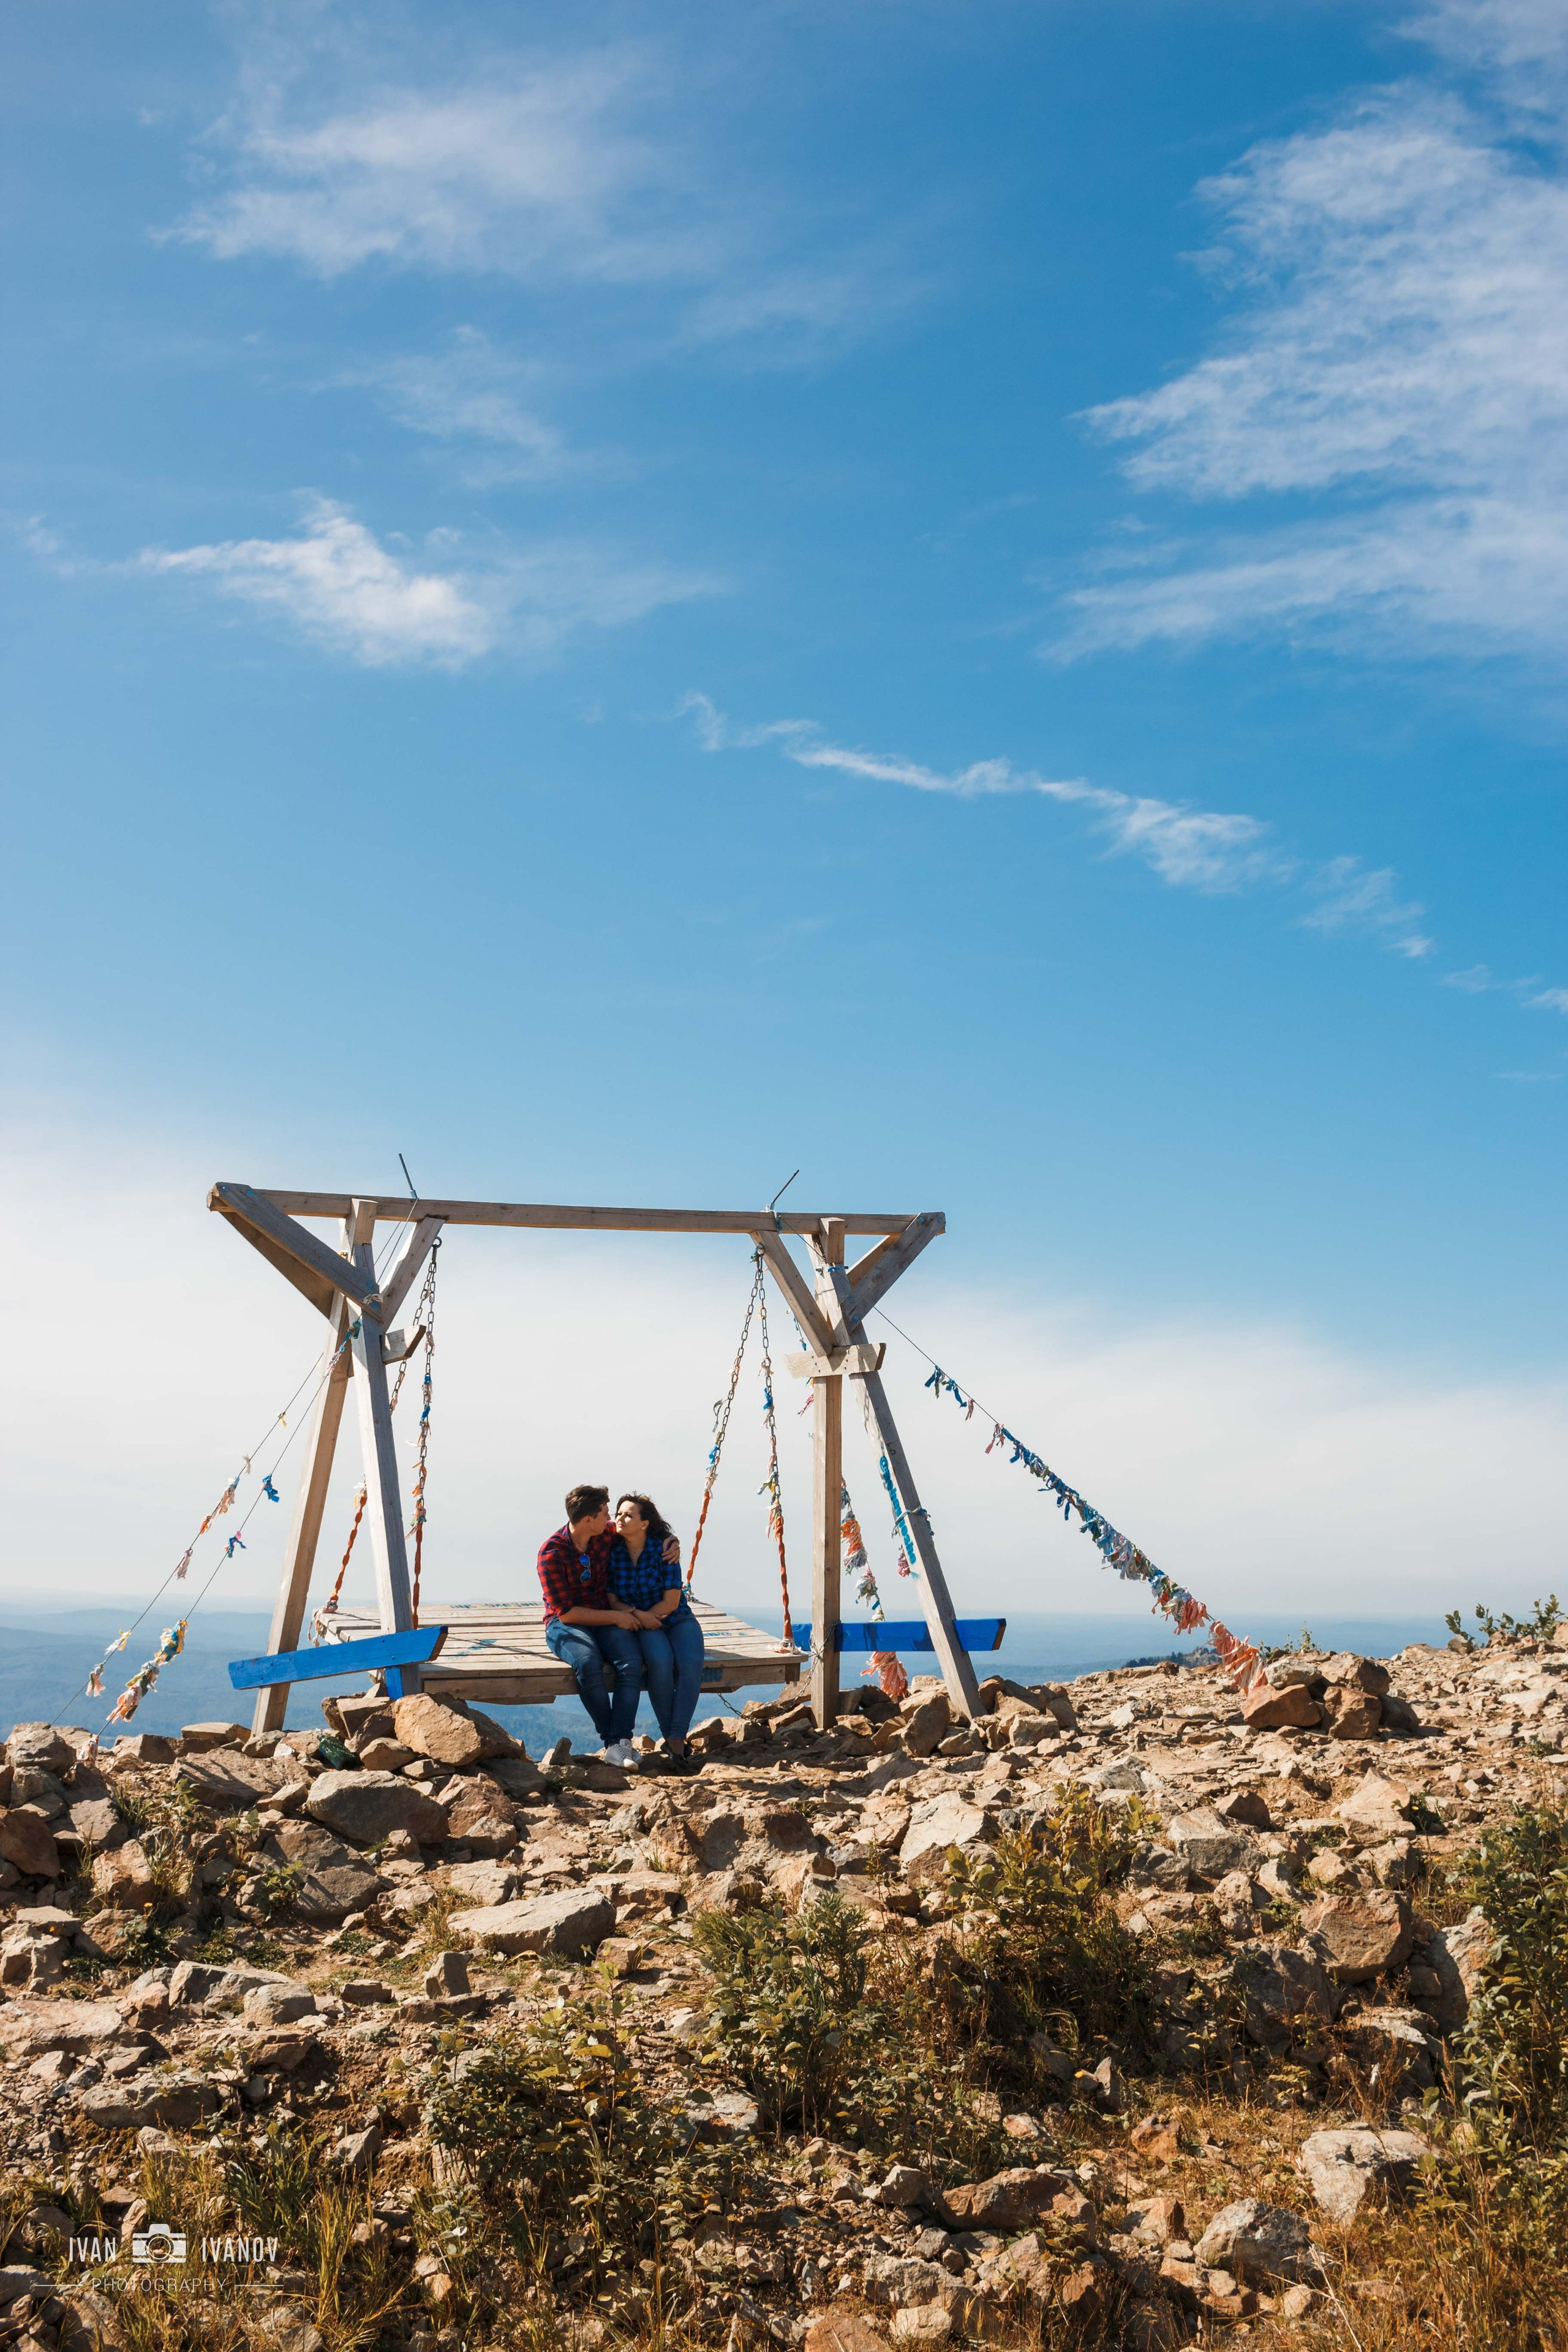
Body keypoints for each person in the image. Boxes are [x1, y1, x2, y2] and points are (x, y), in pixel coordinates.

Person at [535, 1483, 680, 1770]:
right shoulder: (551, 1554)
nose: (611, 1519)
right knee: (587, 1663)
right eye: (605, 1513)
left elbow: (644, 1529)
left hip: (604, 1616)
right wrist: (617, 1617)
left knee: (631, 1662)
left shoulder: (603, 1535)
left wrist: (671, 1540)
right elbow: (567, 1614)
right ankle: (613, 1742)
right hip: (565, 1623)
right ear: (588, 1521)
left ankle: (620, 1743)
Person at [609, 1491, 706, 1771]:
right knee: (660, 1663)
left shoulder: (663, 1550)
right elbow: (612, 1599)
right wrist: (641, 1616)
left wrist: (654, 1616)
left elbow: (673, 1600)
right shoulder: (614, 1553)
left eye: (629, 1514)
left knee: (691, 1665)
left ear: (644, 1524)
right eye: (618, 1513)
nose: (620, 1518)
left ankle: (676, 1740)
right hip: (641, 1621)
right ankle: (672, 1739)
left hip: (676, 1618)